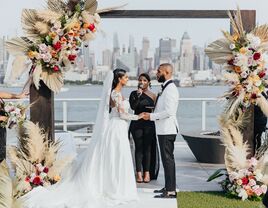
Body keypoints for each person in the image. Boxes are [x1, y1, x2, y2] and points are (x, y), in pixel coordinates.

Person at [24, 69, 145, 208]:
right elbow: (122, 114)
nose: (127, 79)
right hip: (117, 128)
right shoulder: (115, 94)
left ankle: (119, 185)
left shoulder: (118, 93)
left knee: (119, 156)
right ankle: (116, 187)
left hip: (120, 128)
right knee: (118, 155)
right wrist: (138, 117)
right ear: (119, 79)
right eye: (125, 77)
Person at [143, 63, 179, 199]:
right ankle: (168, 187)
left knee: (168, 160)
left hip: (167, 130)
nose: (156, 74)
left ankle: (171, 191)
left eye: (159, 71)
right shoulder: (165, 88)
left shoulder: (171, 89)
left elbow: (169, 111)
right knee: (166, 160)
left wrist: (151, 116)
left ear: (167, 72)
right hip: (163, 129)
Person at [129, 73, 159, 183]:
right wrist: (138, 95)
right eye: (140, 80)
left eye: (145, 80)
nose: (142, 82)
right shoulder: (133, 94)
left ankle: (147, 173)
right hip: (136, 123)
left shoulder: (153, 96)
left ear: (149, 82)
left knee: (147, 149)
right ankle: (139, 174)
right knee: (139, 148)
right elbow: (133, 107)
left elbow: (156, 110)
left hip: (149, 124)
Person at [0, 91, 28, 163]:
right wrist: (3, 118)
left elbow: (2, 94)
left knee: (2, 153)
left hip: (1, 130)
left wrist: (18, 96)